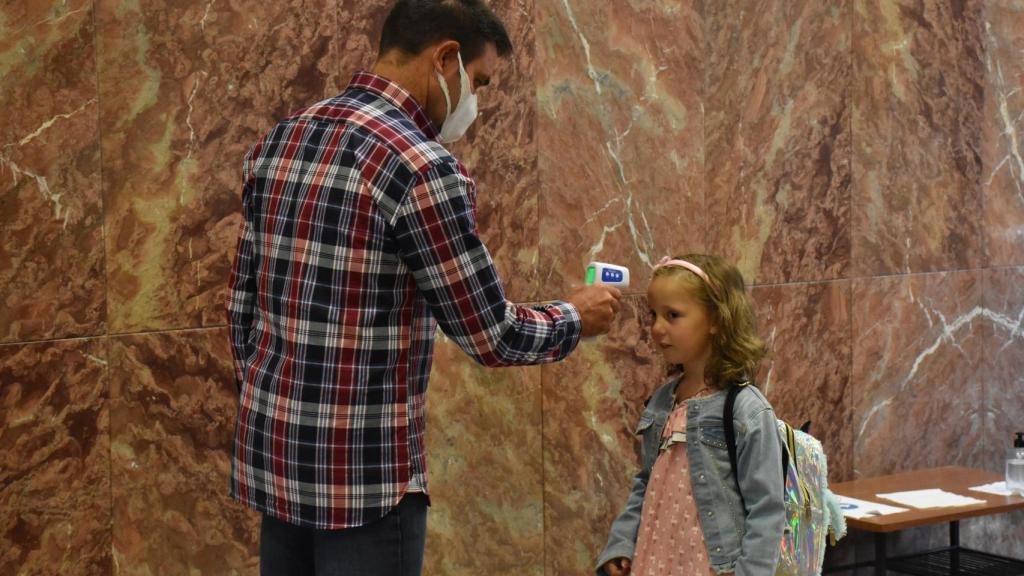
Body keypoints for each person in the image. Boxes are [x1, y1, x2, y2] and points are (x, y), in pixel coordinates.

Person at [225, 1, 621, 574]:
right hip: (365, 487)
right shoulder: (421, 167)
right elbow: (492, 333)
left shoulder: (282, 141)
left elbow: (242, 313)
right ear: (446, 57)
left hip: (276, 467)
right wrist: (574, 319)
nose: (474, 102)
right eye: (478, 82)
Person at [595, 254, 785, 576]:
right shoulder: (662, 401)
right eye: (653, 315)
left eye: (673, 315)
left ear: (716, 319)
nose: (657, 328)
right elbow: (646, 481)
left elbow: (767, 510)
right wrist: (622, 542)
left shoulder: (745, 409)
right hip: (655, 559)